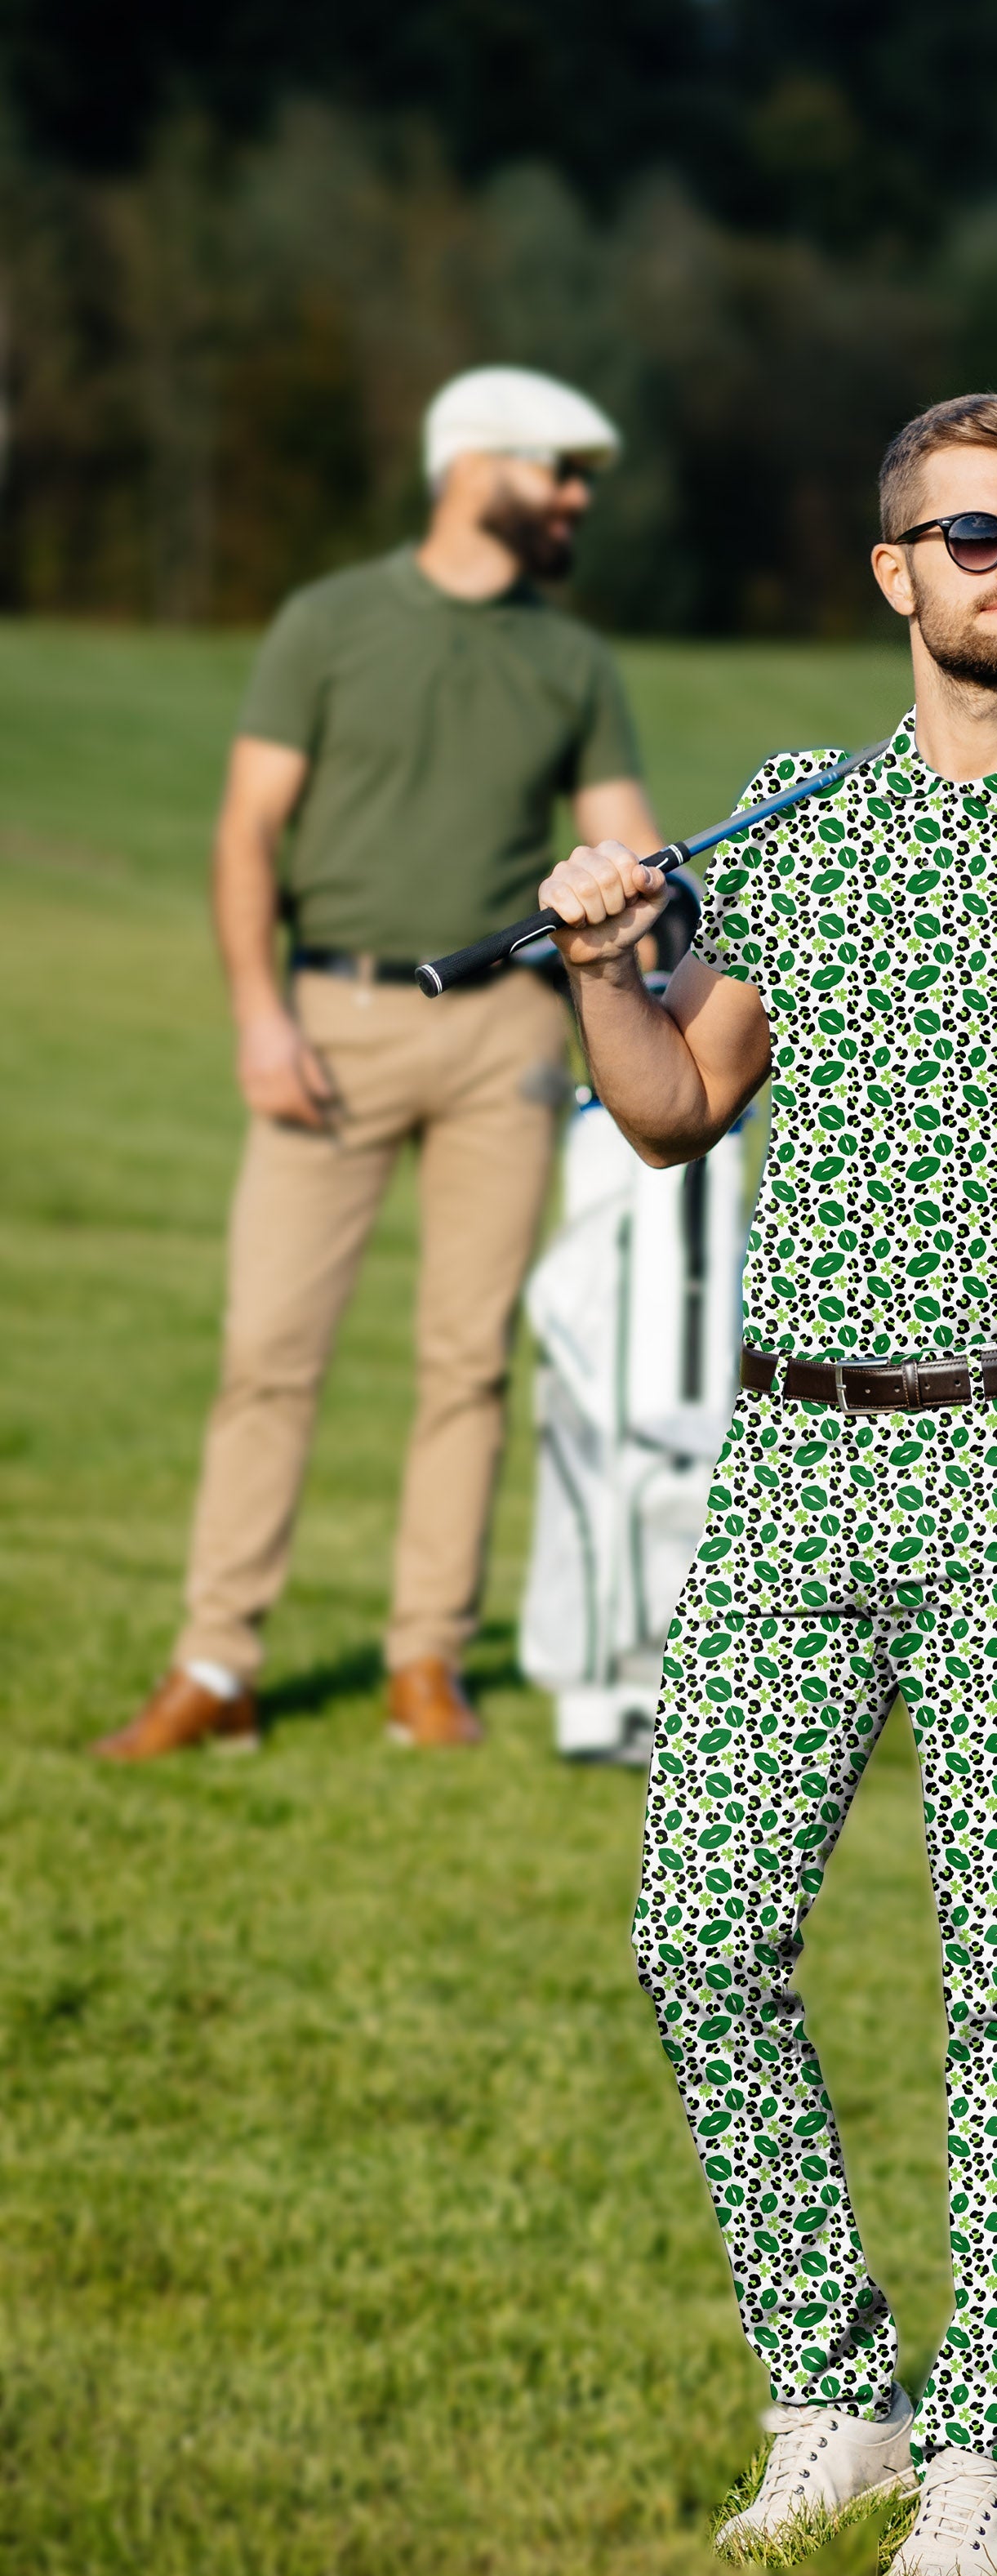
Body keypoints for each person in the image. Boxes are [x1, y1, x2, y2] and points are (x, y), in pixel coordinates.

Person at [536, 391, 997, 2576]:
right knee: (700, 1934)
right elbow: (673, 1109)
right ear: (899, 575)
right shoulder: (798, 828)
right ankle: (833, 2384)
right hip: (788, 1460)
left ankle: (986, 2439)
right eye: (973, 535)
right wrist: (601, 959)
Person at [93, 365, 661, 1762]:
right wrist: (257, 1016)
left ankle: (426, 1666)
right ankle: (217, 1663)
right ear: (474, 468)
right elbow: (247, 833)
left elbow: (632, 843)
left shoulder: (572, 658)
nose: (579, 497)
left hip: (508, 1040)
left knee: (466, 1360)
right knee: (268, 1352)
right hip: (329, 1020)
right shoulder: (328, 622)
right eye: (559, 470)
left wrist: (650, 952)